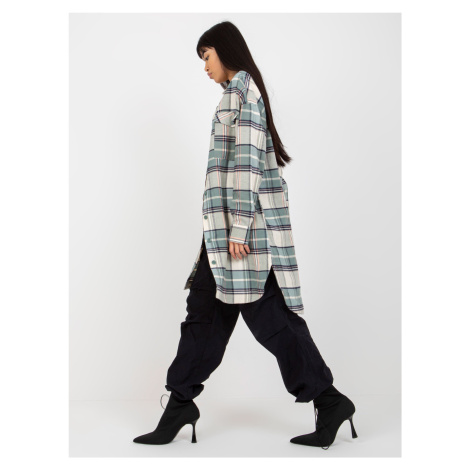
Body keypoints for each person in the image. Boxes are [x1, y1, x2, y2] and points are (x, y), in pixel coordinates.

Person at [133, 21, 358, 449]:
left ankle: (329, 401)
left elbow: (247, 164)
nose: (204, 66)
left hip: (240, 235)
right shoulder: (234, 95)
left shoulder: (243, 94)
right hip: (222, 233)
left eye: (206, 56)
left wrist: (238, 227)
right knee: (204, 315)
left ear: (225, 49)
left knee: (270, 321)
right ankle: (180, 403)